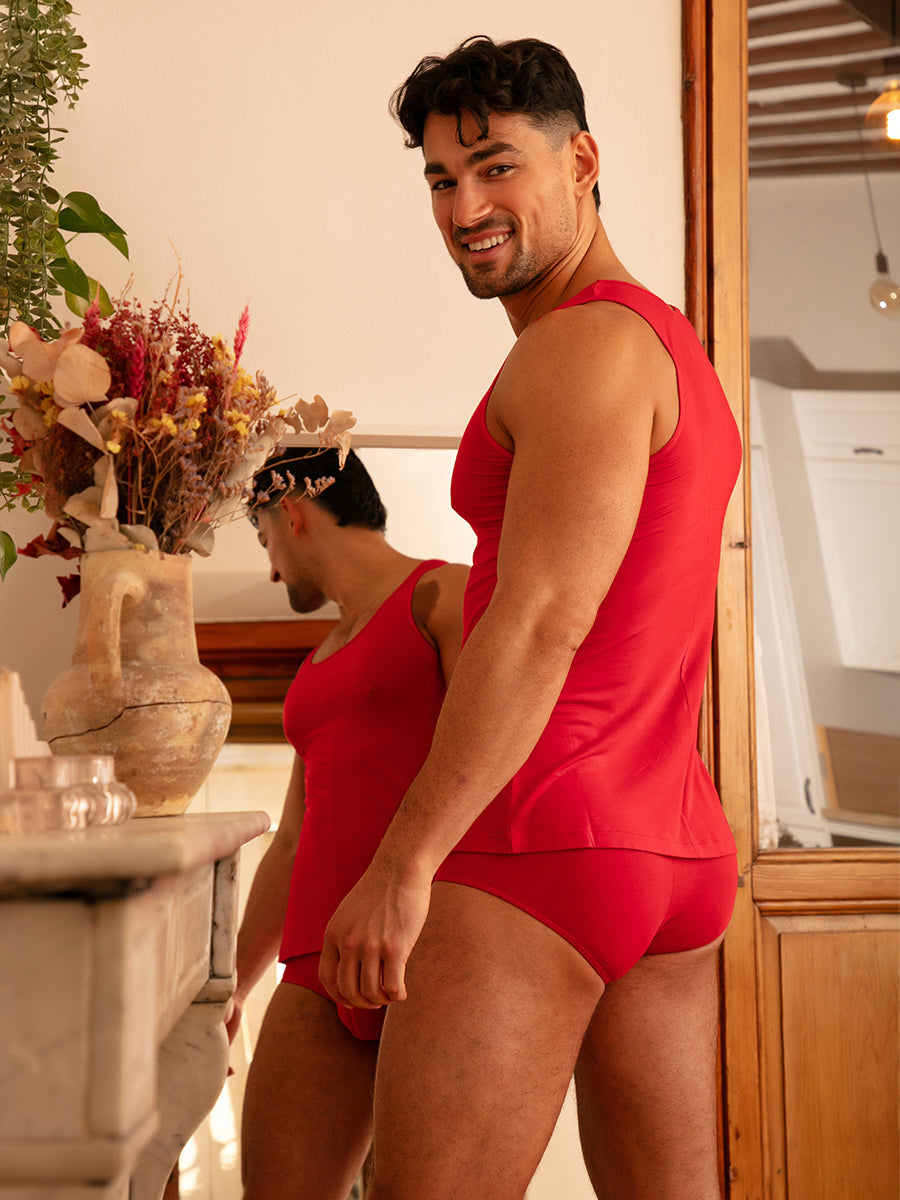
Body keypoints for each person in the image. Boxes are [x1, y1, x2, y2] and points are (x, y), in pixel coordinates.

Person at [318, 36, 742, 1200]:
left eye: (497, 167)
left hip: (543, 839)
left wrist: (404, 862)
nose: (466, 206)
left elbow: (540, 622)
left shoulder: (579, 348)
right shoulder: (668, 346)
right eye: (442, 181)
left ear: (584, 159)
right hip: (675, 853)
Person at [224, 446, 468, 1198]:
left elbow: (511, 766)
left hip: (436, 956)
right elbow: (295, 839)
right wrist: (230, 987)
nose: (271, 569)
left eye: (265, 541)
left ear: (291, 516)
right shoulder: (316, 668)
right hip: (317, 969)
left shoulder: (445, 595)